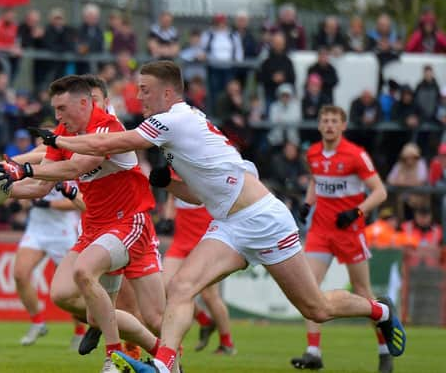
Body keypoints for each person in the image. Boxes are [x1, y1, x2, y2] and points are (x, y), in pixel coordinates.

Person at [34, 61, 407, 373]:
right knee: (180, 288)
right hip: (228, 224)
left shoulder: (172, 120)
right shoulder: (175, 128)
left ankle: (379, 308)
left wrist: (58, 141)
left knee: (316, 308)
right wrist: (169, 185)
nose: (139, 96)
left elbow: (111, 143)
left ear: (167, 93)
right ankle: (165, 366)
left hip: (263, 219)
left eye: (145, 90)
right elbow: (198, 195)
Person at [0, 75, 166, 373]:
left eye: (61, 108)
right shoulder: (63, 132)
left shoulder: (107, 127)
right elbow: (40, 186)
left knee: (121, 295)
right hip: (96, 228)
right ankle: (161, 354)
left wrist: (23, 168)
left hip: (129, 222)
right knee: (64, 296)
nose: (57, 116)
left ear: (86, 103)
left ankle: (114, 358)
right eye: (55, 109)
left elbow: (75, 166)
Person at [293, 105, 392, 372]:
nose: (329, 125)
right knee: (309, 289)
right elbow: (316, 180)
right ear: (319, 125)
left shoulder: (356, 154)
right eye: (324, 120)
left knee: (363, 292)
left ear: (343, 126)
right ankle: (313, 351)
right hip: (321, 231)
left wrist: (357, 211)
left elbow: (380, 192)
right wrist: (307, 202)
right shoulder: (313, 152)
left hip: (349, 232)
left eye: (334, 121)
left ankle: (384, 351)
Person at [15, 179, 87, 347]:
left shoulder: (71, 166)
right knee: (20, 274)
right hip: (36, 229)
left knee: (68, 290)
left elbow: (79, 201)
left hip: (62, 232)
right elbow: (25, 191)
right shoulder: (39, 165)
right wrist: (22, 202)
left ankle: (80, 332)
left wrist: (48, 204)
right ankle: (38, 322)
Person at [161, 192, 236, 355]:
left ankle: (226, 342)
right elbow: (172, 197)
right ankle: (205, 320)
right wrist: (167, 218)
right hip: (180, 243)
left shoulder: (206, 172)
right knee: (165, 286)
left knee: (210, 296)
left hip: (205, 243)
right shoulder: (176, 169)